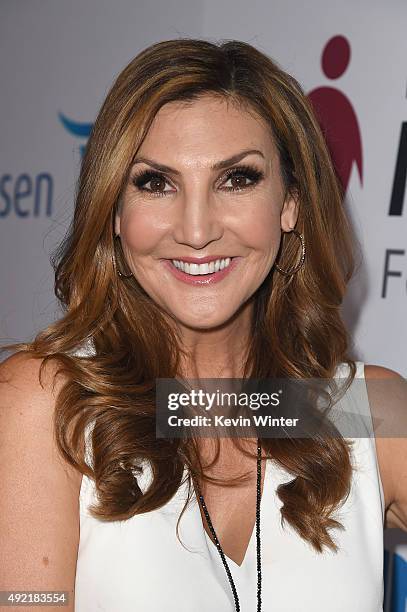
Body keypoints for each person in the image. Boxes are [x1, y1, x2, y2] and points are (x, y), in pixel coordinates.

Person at [1, 38, 406, 612]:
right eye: (155, 183)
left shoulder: (360, 408)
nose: (196, 229)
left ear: (290, 202)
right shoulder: (48, 404)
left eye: (236, 179)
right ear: (114, 211)